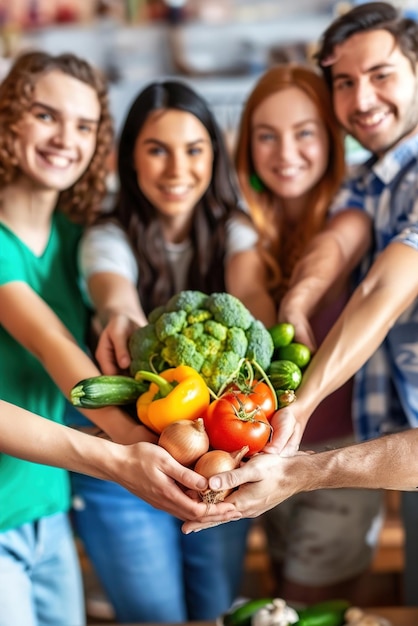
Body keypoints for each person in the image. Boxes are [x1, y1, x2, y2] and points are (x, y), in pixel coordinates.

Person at [0, 52, 234, 626]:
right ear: (8, 120)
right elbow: (53, 343)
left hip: (44, 502)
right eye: (46, 116)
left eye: (83, 125)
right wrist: (141, 452)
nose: (66, 139)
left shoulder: (73, 235)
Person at [182, 0, 418, 530]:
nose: (362, 98)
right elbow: (341, 239)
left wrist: (303, 404)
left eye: (381, 75)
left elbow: (385, 286)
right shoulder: (367, 180)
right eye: (345, 82)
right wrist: (300, 298)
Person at [72, 79, 276, 623]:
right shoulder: (106, 233)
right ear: (130, 157)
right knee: (153, 613)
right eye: (156, 149)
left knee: (215, 606)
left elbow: (251, 295)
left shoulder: (234, 230)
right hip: (123, 441)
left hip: (218, 452)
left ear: (215, 153)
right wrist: (121, 314)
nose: (176, 168)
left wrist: (266, 323)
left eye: (194, 149)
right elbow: (111, 285)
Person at [231, 63, 383, 606]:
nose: (285, 153)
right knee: (277, 602)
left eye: (304, 133)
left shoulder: (358, 211)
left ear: (331, 139)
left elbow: (337, 246)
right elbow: (247, 285)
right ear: (247, 145)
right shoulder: (244, 223)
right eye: (266, 136)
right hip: (261, 453)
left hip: (343, 456)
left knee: (309, 602)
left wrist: (297, 299)